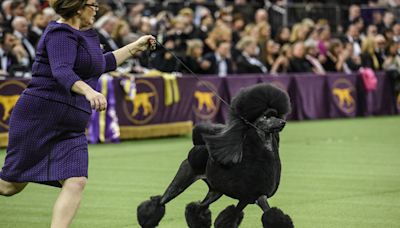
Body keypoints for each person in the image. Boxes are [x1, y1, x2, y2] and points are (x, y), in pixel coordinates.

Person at [0, 1, 156, 228]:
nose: (97, 8)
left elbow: (103, 63)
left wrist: (135, 47)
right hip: (39, 119)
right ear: (78, 7)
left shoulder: (86, 35)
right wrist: (89, 90)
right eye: (93, 4)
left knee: (77, 180)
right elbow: (62, 71)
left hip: (71, 127)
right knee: (9, 187)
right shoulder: (60, 33)